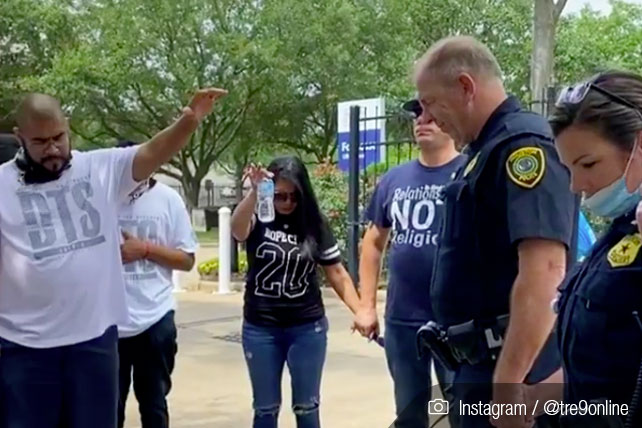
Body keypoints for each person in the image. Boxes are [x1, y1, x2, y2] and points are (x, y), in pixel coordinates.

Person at [0, 88, 226, 427]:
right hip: (24, 347)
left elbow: (152, 152)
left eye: (59, 137)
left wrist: (187, 123)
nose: (53, 150)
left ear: (68, 126)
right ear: (20, 138)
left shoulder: (99, 169)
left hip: (93, 342)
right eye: (40, 142)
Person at [413, 35, 577, 428]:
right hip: (481, 364)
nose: (428, 116)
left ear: (466, 87)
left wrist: (508, 382)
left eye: (431, 102)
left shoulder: (522, 147)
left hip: (516, 369)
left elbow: (545, 269)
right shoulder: (483, 152)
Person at [527, 70, 642, 426]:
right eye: (569, 170)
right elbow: (592, 373)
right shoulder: (617, 238)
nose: (577, 185)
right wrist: (527, 401)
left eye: (588, 164)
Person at [355, 98, 465, 427]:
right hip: (403, 318)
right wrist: (366, 306)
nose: (423, 121)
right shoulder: (394, 180)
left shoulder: (470, 171)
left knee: (464, 411)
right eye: (418, 115)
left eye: (432, 114)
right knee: (410, 411)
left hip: (456, 319)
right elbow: (373, 243)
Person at [231, 156, 361, 428]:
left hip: (306, 327)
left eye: (294, 196)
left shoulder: (315, 223)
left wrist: (361, 311)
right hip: (261, 327)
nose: (287, 203)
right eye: (280, 196)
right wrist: (256, 193)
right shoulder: (259, 216)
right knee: (265, 408)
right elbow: (238, 230)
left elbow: (336, 273)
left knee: (307, 406)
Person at [115, 142, 198, 427]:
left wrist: (146, 250)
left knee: (153, 404)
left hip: (155, 319)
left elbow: (187, 260)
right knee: (109, 407)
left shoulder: (168, 200)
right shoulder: (100, 198)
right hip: (109, 322)